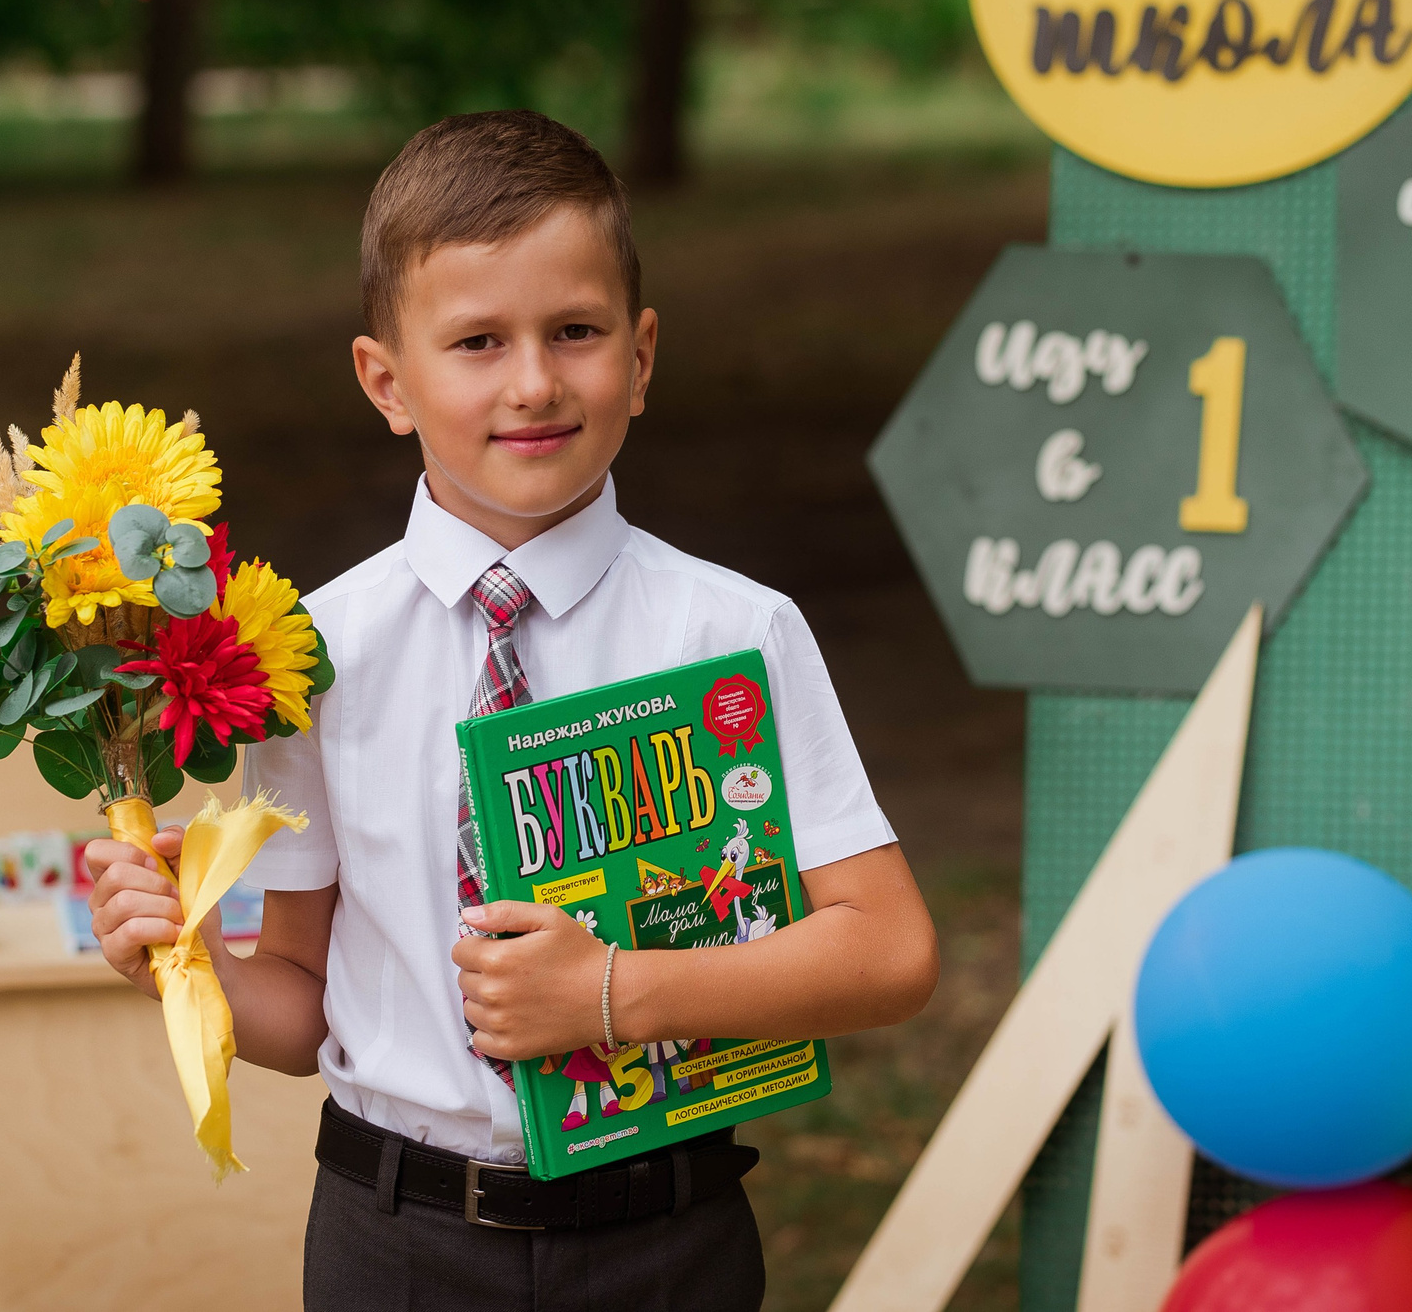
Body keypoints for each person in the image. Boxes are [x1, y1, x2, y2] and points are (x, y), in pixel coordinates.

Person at [86, 110, 938, 1311]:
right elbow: (300, 987)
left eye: (575, 332)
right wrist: (181, 960)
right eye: (477, 340)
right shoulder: (304, 654)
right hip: (397, 1243)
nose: (534, 380)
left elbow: (890, 950)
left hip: (665, 1233)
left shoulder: (732, 633)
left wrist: (607, 992)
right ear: (387, 380)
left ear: (640, 357)